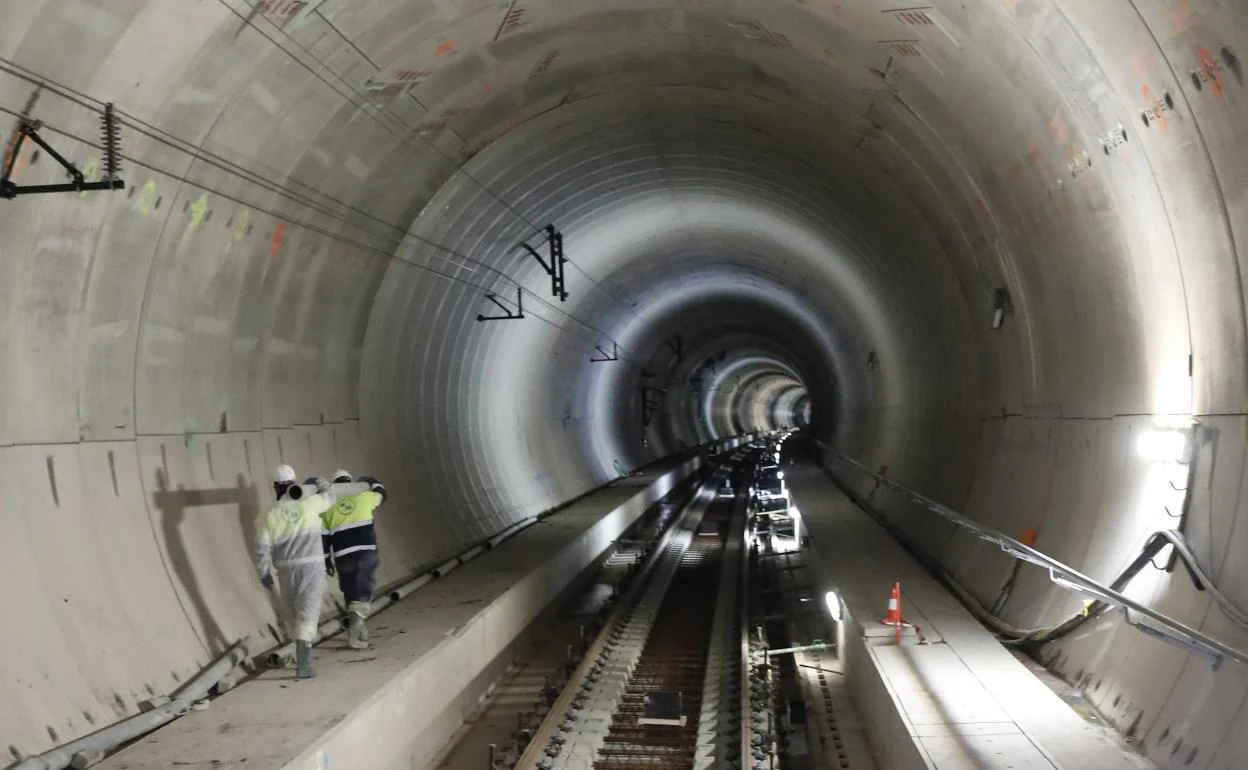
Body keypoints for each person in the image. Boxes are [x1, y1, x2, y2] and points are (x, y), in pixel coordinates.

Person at [256, 464, 337, 678]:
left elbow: (262, 548)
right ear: (295, 483)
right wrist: (320, 482)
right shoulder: (309, 504)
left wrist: (264, 572)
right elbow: (330, 497)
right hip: (311, 567)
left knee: (293, 613)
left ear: (275, 487)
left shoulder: (270, 514)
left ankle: (297, 652)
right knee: (308, 612)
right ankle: (304, 663)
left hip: (286, 571)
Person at [321, 469, 386, 649]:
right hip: (366, 552)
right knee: (363, 591)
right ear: (351, 483)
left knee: (351, 591)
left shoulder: (328, 507)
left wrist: (326, 560)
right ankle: (354, 632)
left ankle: (360, 630)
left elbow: (324, 538)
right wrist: (368, 480)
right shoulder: (364, 496)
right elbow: (381, 493)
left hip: (343, 556)